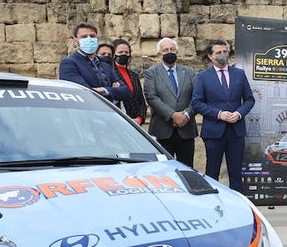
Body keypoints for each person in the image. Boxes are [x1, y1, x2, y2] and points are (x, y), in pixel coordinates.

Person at [191, 40, 255, 193]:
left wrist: (238, 113)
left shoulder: (239, 74)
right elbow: (197, 103)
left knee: (236, 173)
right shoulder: (203, 77)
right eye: (218, 52)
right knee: (212, 172)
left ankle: (238, 205)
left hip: (236, 131)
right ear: (210, 56)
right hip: (214, 132)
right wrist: (219, 114)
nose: (222, 55)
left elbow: (249, 99)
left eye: (225, 51)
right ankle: (212, 204)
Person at [142, 37, 197, 167]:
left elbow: (197, 97)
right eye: (165, 50)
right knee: (162, 170)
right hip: (162, 130)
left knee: (187, 170)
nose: (169, 52)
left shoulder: (190, 72)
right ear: (159, 54)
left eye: (172, 49)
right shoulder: (151, 73)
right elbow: (151, 97)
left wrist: (186, 115)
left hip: (186, 129)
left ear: (177, 52)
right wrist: (173, 115)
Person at [58, 23, 131, 106]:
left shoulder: (105, 66)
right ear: (75, 41)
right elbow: (84, 92)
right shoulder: (69, 63)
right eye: (84, 37)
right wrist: (113, 92)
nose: (89, 39)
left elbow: (126, 91)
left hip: (107, 114)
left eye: (92, 36)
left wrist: (103, 90)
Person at [109, 38, 147, 124]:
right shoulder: (110, 73)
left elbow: (141, 101)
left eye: (126, 52)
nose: (124, 55)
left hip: (136, 123)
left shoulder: (134, 76)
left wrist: (139, 119)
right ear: (114, 54)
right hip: (118, 122)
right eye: (120, 52)